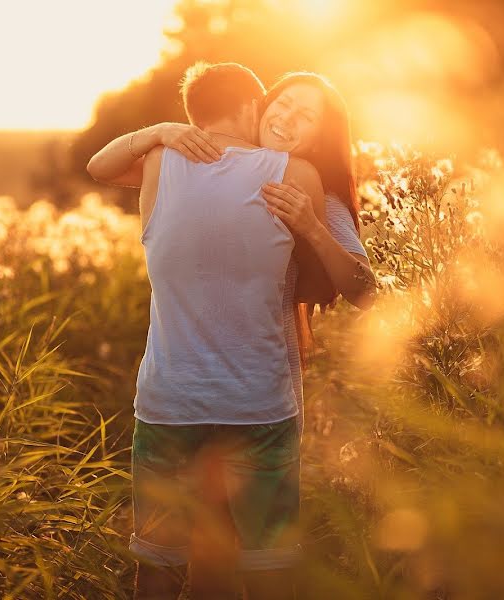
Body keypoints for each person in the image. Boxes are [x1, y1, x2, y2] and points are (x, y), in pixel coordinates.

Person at [88, 62, 336, 600]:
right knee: (268, 571)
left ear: (191, 116)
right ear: (251, 108)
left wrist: (156, 133)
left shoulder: (159, 160)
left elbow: (99, 166)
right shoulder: (297, 175)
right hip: (259, 407)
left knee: (157, 568)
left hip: (169, 404)